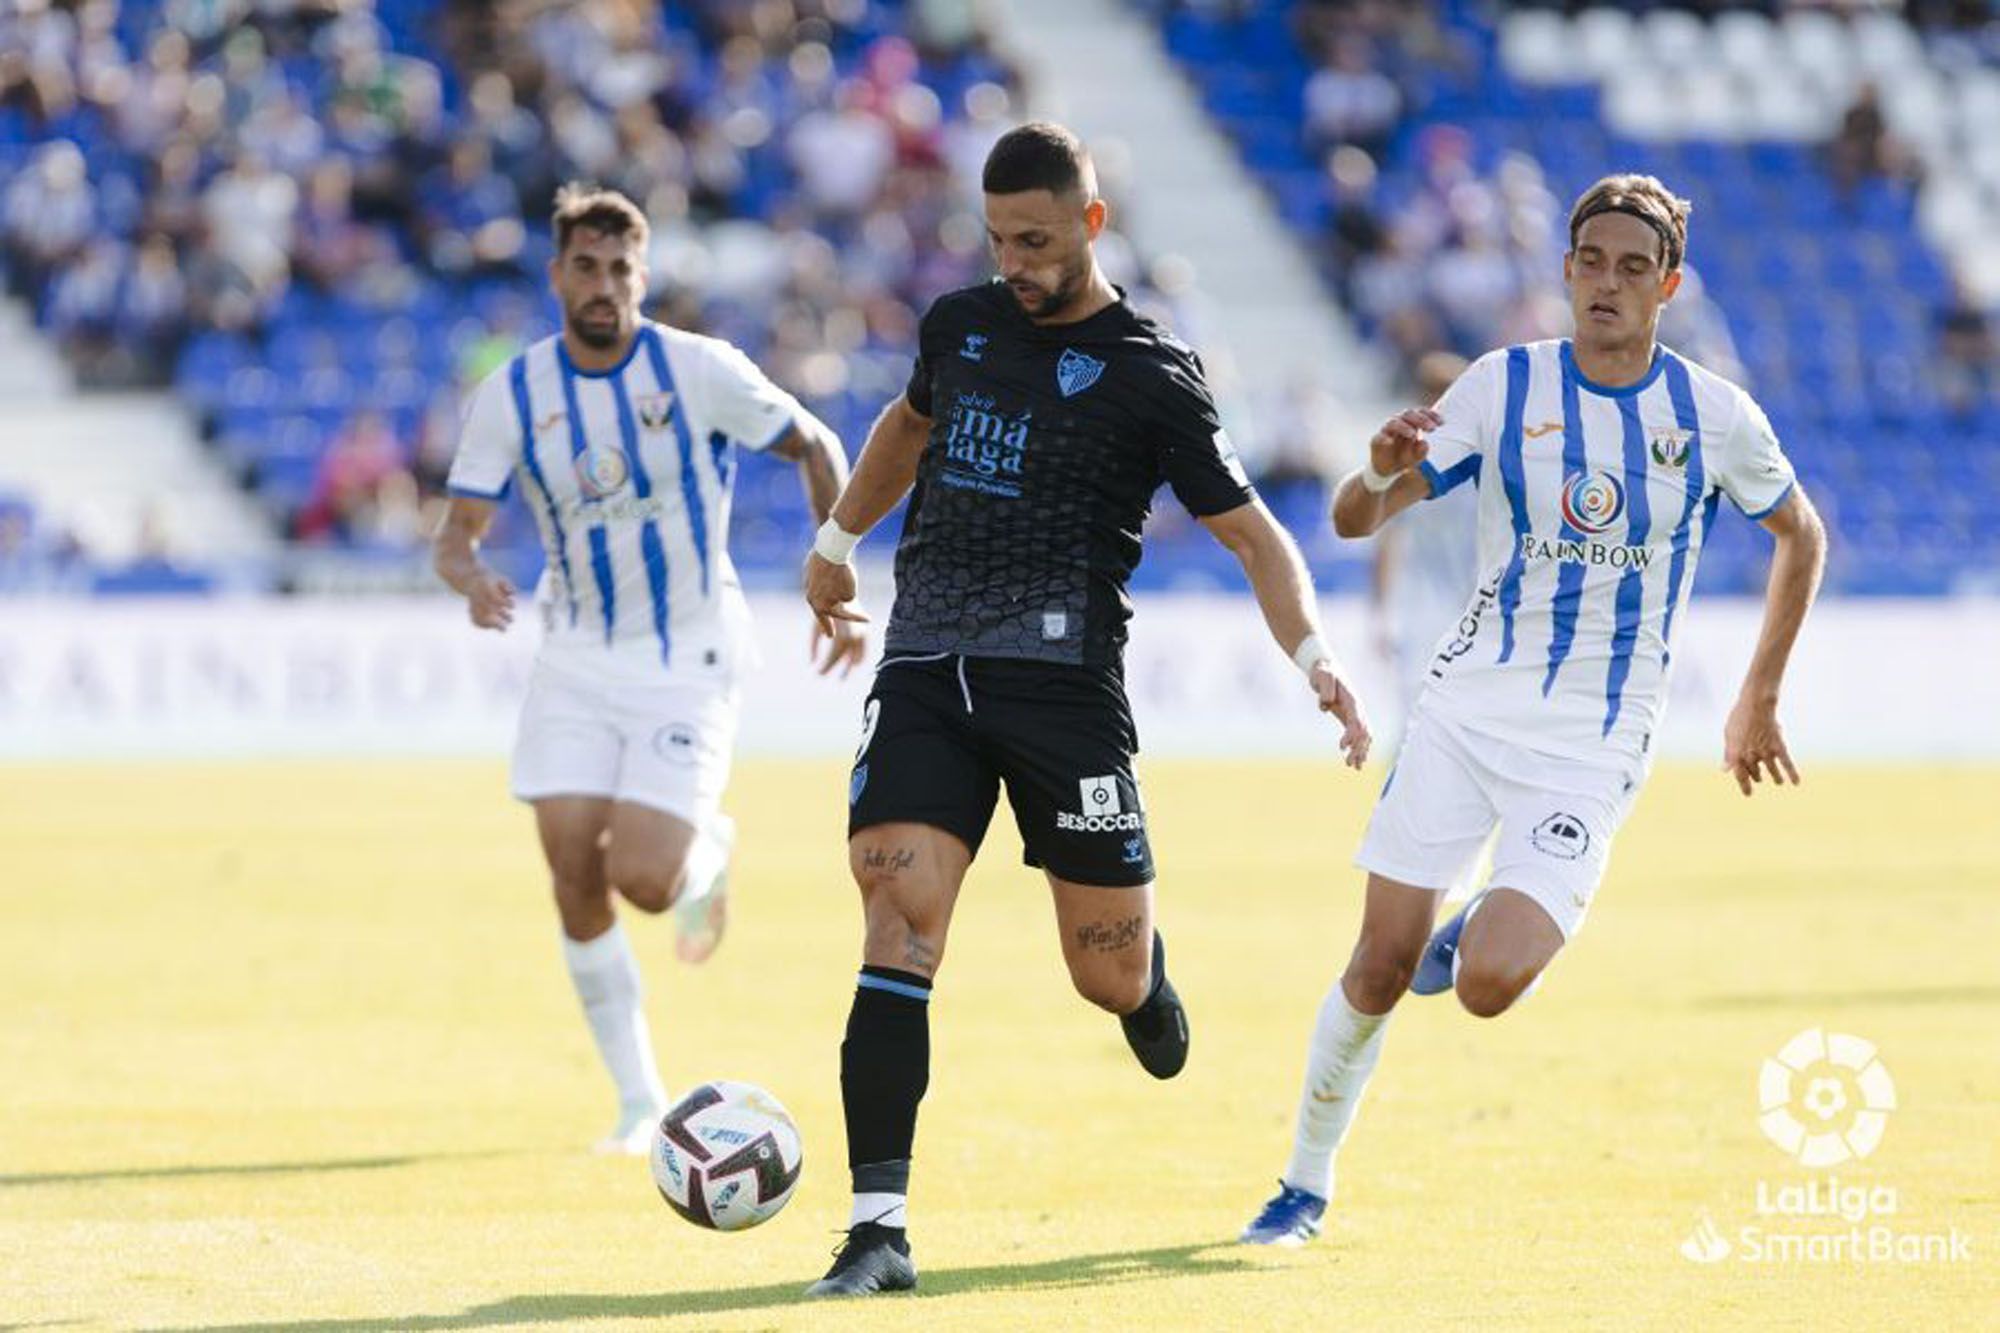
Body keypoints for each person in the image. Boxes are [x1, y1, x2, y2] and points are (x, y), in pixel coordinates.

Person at [797, 122, 1373, 1297]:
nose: (1013, 259)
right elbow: (905, 428)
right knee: (895, 913)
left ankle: (1146, 980)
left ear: (1090, 225)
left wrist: (1313, 654)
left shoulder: (1151, 375)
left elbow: (1251, 533)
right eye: (999, 236)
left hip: (1063, 693)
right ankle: (876, 1229)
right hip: (925, 667)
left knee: (1103, 976)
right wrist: (835, 537)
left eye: (1036, 239)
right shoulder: (956, 325)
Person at [1240, 174, 1829, 1246]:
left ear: (1668, 284)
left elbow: (1800, 532)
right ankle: (1301, 1184)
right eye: (1590, 262)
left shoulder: (1711, 415)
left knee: (1485, 983)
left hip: (1591, 744)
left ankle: (1468, 924)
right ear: (1563, 269)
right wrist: (1373, 472)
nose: (1606, 283)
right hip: (1462, 715)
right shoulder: (1499, 388)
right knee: (1374, 968)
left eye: (1632, 267)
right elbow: (1350, 521)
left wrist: (1758, 692)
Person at [433, 185, 862, 1155]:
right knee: (571, 875)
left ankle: (704, 854)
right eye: (584, 268)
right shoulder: (513, 394)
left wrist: (832, 572)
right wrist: (469, 577)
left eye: (620, 269)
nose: (602, 286)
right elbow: (453, 536)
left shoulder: (698, 369)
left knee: (644, 881)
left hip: (688, 655)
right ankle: (637, 1100)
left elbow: (817, 443)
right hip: (575, 658)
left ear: (643, 273)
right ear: (556, 276)